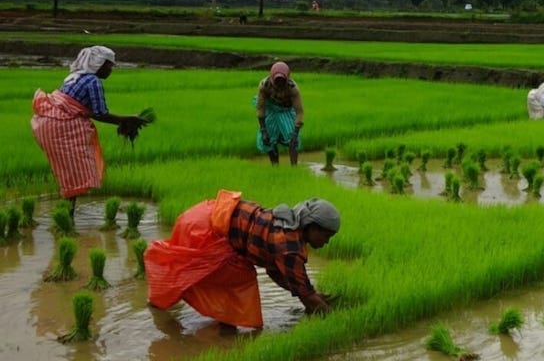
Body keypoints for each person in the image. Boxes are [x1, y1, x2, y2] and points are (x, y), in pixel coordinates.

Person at [145, 190, 339, 329]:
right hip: (206, 228)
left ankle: (160, 306)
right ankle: (219, 330)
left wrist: (310, 295)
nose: (327, 242)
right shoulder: (288, 247)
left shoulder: (288, 222)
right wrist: (327, 314)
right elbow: (303, 292)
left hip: (206, 214)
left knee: (185, 268)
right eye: (326, 236)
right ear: (311, 226)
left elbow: (277, 273)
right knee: (235, 279)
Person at [30, 46, 149, 215]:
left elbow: (87, 109)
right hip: (61, 124)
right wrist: (127, 119)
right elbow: (100, 113)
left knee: (69, 172)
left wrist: (125, 121)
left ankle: (65, 216)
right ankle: (66, 219)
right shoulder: (93, 81)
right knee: (73, 173)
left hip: (47, 122)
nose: (110, 70)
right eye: (108, 65)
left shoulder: (75, 76)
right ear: (97, 64)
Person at [255, 61, 304, 165]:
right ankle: (275, 166)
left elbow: (299, 112)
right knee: (269, 137)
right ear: (272, 78)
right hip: (271, 110)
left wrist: (295, 134)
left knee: (292, 139)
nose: (279, 84)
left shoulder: (293, 88)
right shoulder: (264, 85)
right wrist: (263, 130)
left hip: (286, 110)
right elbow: (260, 108)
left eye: (282, 81)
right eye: (277, 81)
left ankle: (294, 168)